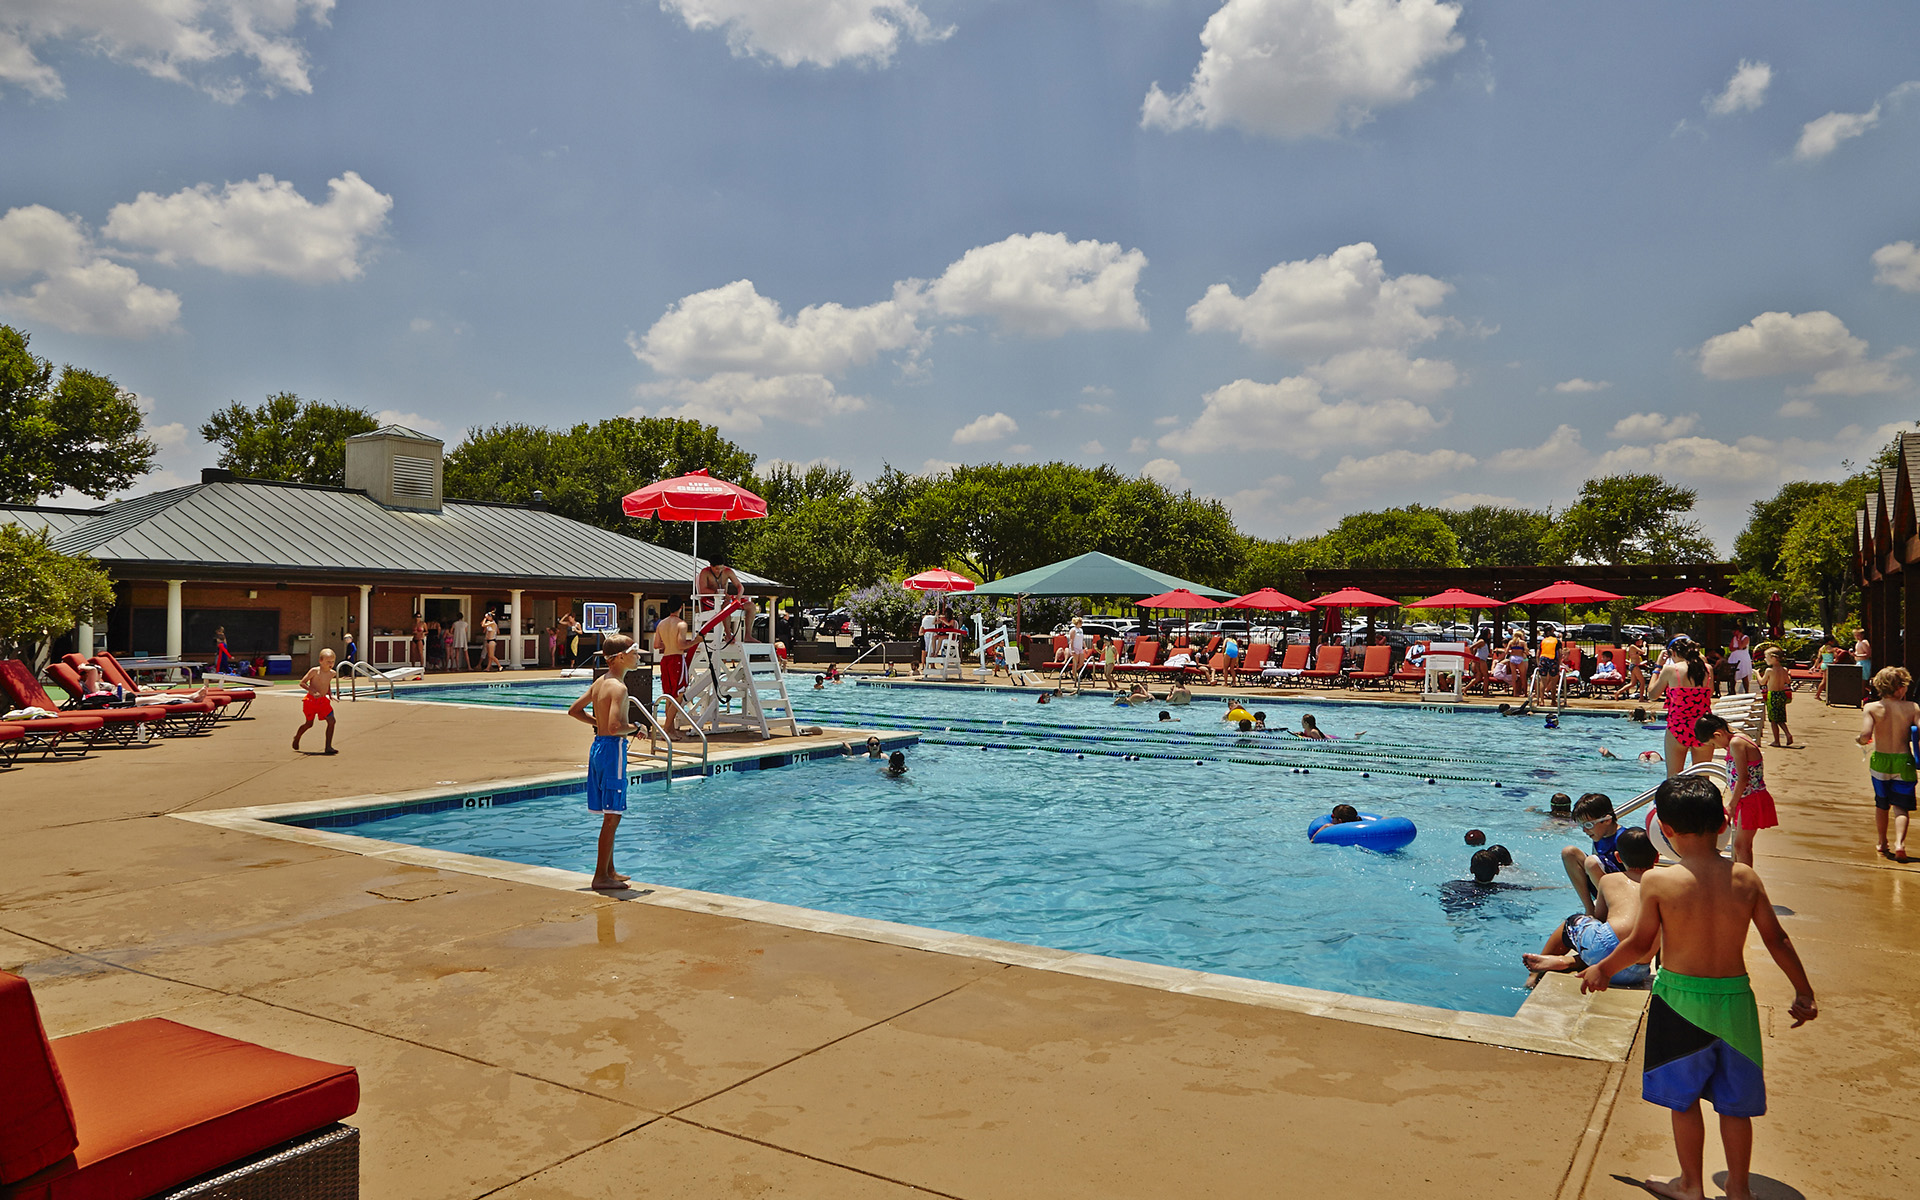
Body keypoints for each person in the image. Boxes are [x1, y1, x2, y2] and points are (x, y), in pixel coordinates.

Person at [1580, 774, 1816, 1200]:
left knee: (1683, 1099)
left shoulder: (1658, 882)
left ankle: (1691, 1184)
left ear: (1665, 830)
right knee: (1734, 1105)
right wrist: (1803, 991)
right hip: (1735, 1002)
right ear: (1723, 822)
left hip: (1680, 1003)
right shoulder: (1746, 878)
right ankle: (1739, 1190)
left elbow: (1640, 944)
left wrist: (1603, 969)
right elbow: (1777, 939)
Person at [1524, 827, 1659, 988]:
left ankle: (1533, 977)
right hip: (1636, 972)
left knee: (1573, 923)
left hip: (1604, 958)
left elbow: (1599, 918)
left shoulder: (1609, 880)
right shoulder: (1665, 887)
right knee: (1602, 946)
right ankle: (1568, 962)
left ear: (1618, 857)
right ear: (1657, 857)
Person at [566, 634, 640, 891]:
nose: (638, 657)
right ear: (620, 657)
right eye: (634, 652)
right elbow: (616, 726)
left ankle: (609, 870)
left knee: (610, 813)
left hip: (598, 747)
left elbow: (574, 710)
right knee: (612, 816)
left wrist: (598, 724)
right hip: (612, 750)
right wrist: (636, 727)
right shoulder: (619, 688)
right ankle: (600, 876)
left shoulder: (601, 682)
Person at [1693, 713, 1776, 867]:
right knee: (1740, 845)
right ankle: (1739, 876)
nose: (1716, 747)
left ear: (1718, 734)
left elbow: (1743, 777)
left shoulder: (1736, 744)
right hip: (1745, 799)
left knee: (1741, 846)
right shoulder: (1735, 739)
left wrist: (1731, 805)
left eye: (1713, 744)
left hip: (1750, 800)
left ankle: (1745, 879)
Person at [1858, 665, 1920, 862]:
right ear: (1900, 688)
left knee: (1882, 804)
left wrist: (1860, 740)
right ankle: (1900, 844)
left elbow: (1866, 734)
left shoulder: (1871, 708)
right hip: (1904, 760)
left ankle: (1882, 842)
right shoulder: (1913, 707)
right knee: (1901, 807)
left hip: (1881, 761)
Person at [1647, 636, 1713, 776]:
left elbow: (1652, 695)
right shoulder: (1707, 669)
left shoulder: (1671, 670)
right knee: (1703, 777)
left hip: (1678, 726)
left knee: (1674, 777)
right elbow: (1710, 693)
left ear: (1673, 652)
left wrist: (1658, 667)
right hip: (1703, 726)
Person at [1559, 792, 1622, 916]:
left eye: (1588, 825)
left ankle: (1611, 908)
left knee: (1592, 862)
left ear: (1607, 820)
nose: (1584, 830)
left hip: (1621, 894)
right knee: (1569, 853)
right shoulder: (1599, 837)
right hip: (1602, 890)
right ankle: (1590, 910)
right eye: (1582, 825)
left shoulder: (1624, 839)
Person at [292, 648, 338, 754]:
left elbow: (327, 683)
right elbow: (302, 683)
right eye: (328, 661)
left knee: (331, 721)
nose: (330, 664)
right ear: (321, 661)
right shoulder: (314, 671)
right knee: (309, 724)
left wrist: (330, 694)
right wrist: (312, 691)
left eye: (332, 661)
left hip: (323, 701)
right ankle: (297, 737)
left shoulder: (332, 673)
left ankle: (328, 747)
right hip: (311, 701)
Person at [651, 597, 693, 712]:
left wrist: (668, 643)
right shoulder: (681, 624)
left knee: (668, 694)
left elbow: (656, 645)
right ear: (681, 607)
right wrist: (696, 641)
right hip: (677, 659)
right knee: (679, 693)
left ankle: (669, 723)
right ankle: (669, 723)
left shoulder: (661, 624)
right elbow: (681, 645)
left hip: (665, 660)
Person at [1758, 647, 1793, 748]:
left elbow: (1762, 682)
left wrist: (1757, 673)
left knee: (1773, 720)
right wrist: (1788, 675)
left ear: (1773, 658)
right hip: (1781, 694)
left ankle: (1776, 740)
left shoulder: (1769, 670)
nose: (1765, 659)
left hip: (1772, 695)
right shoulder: (1784, 669)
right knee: (1780, 718)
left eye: (1766, 657)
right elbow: (1788, 681)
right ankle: (1787, 734)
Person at [1727, 623, 1753, 695]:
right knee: (1733, 674)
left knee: (1744, 674)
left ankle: (1746, 691)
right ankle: (1732, 690)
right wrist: (1737, 648)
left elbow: (1741, 646)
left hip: (1743, 658)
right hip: (1734, 658)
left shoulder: (1746, 638)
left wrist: (1739, 639)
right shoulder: (1734, 638)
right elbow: (1731, 648)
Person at [1625, 636, 1647, 701]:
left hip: (1635, 665)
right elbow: (1643, 652)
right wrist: (1644, 645)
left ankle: (1618, 692)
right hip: (1634, 666)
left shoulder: (1634, 648)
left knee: (1632, 683)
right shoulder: (1632, 646)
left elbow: (1640, 653)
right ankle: (1641, 698)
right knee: (1642, 681)